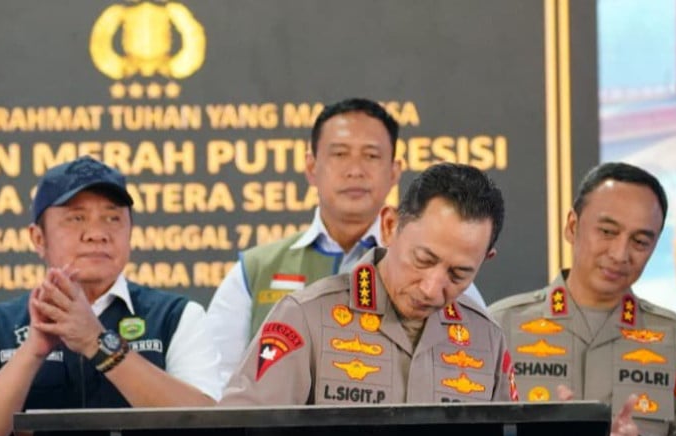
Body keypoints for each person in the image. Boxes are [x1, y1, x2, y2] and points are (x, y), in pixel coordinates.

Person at [0, 156, 221, 436]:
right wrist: (33, 350)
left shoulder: (177, 317)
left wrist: (98, 343)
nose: (97, 233)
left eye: (113, 218)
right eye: (76, 218)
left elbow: (206, 433)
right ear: (38, 238)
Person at [204, 98, 484, 391]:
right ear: (311, 167)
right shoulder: (255, 270)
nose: (355, 170)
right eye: (339, 154)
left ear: (394, 171)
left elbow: (473, 363)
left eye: (371, 156)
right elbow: (217, 385)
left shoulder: (438, 271)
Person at [488, 162, 676, 436]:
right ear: (572, 226)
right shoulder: (501, 324)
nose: (620, 254)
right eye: (607, 232)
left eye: (640, 241)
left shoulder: (674, 337)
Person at [218, 162, 514, 405]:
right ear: (389, 226)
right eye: (423, 260)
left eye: (458, 274)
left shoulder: (487, 339)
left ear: (485, 259)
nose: (431, 289)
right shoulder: (304, 318)